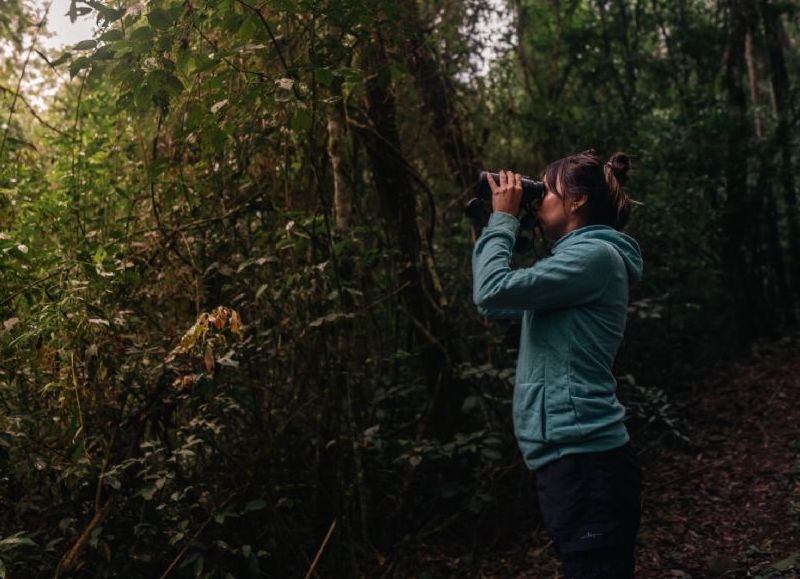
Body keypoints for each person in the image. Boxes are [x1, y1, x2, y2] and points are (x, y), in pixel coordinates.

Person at [471, 150, 644, 578]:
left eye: (546, 190)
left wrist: (504, 222)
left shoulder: (595, 257)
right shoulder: (573, 263)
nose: (539, 198)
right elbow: (497, 303)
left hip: (586, 460)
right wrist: (498, 227)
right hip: (571, 459)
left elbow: (491, 290)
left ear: (577, 200)